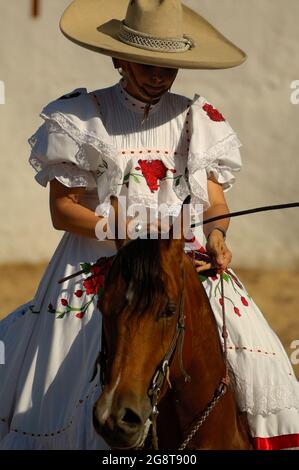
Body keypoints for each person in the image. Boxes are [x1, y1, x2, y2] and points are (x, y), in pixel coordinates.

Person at [0, 0, 298, 450]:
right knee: (70, 372)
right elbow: (62, 210)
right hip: (103, 265)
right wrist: (121, 232)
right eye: (147, 64)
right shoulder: (82, 116)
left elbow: (215, 202)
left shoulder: (199, 118)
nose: (159, 76)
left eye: (169, 67)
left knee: (261, 355)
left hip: (182, 263)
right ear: (119, 57)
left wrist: (216, 235)